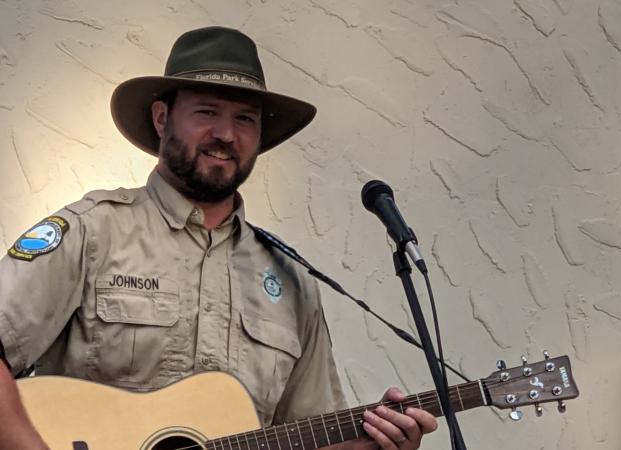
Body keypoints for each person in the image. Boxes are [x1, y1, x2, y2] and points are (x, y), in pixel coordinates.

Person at [0, 26, 437, 450]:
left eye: (244, 119)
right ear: (161, 117)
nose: (226, 134)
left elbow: (304, 434)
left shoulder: (291, 284)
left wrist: (374, 445)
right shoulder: (93, 231)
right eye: (207, 111)